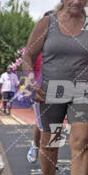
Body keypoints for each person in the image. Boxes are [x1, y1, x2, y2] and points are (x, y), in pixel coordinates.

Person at [22, 0, 88, 175]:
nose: (77, 1)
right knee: (51, 144)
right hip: (50, 92)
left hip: (82, 92)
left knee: (80, 142)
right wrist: (30, 81)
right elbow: (28, 56)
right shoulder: (47, 23)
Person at [27, 11, 54, 164]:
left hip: (60, 89)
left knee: (55, 126)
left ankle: (52, 156)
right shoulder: (35, 46)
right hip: (40, 88)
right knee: (42, 124)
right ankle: (36, 145)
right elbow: (27, 63)